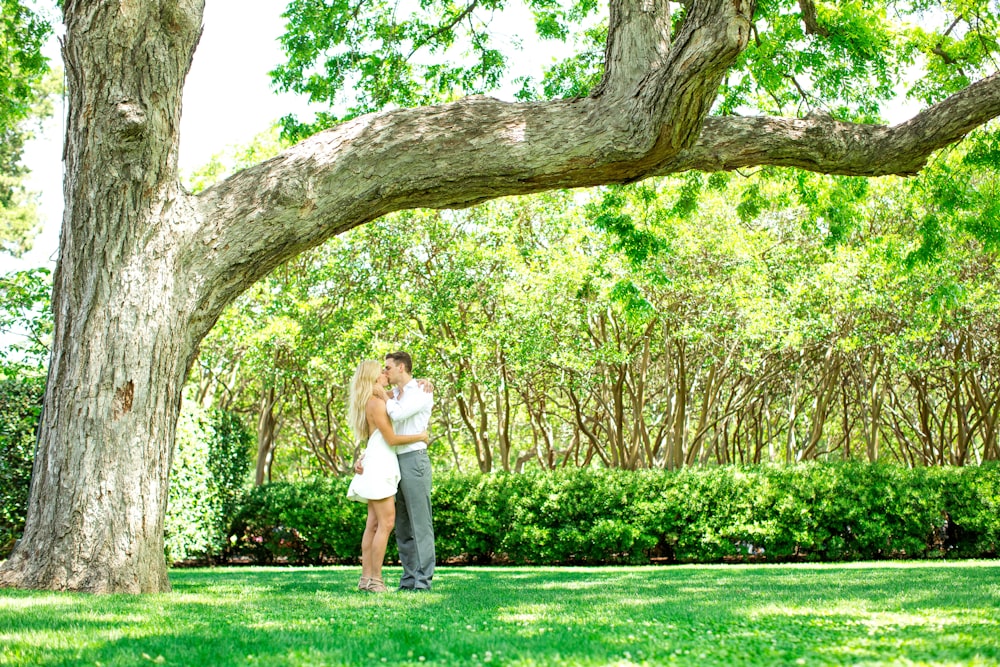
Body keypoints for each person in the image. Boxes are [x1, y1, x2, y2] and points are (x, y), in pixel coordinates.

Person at [345, 360, 428, 593]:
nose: (385, 374)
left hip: (377, 461)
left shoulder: (377, 399)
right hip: (381, 465)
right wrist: (419, 436)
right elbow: (391, 439)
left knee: (372, 524)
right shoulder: (376, 403)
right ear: (373, 377)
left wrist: (423, 382)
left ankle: (365, 579)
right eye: (381, 372)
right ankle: (376, 580)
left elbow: (404, 390)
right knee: (386, 523)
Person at [381, 351, 436, 591]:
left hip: (414, 460)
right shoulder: (394, 394)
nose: (385, 372)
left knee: (420, 524)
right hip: (393, 461)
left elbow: (398, 413)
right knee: (402, 524)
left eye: (388, 368)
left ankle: (423, 581)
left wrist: (385, 396)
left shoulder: (422, 392)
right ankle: (408, 579)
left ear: (401, 368)